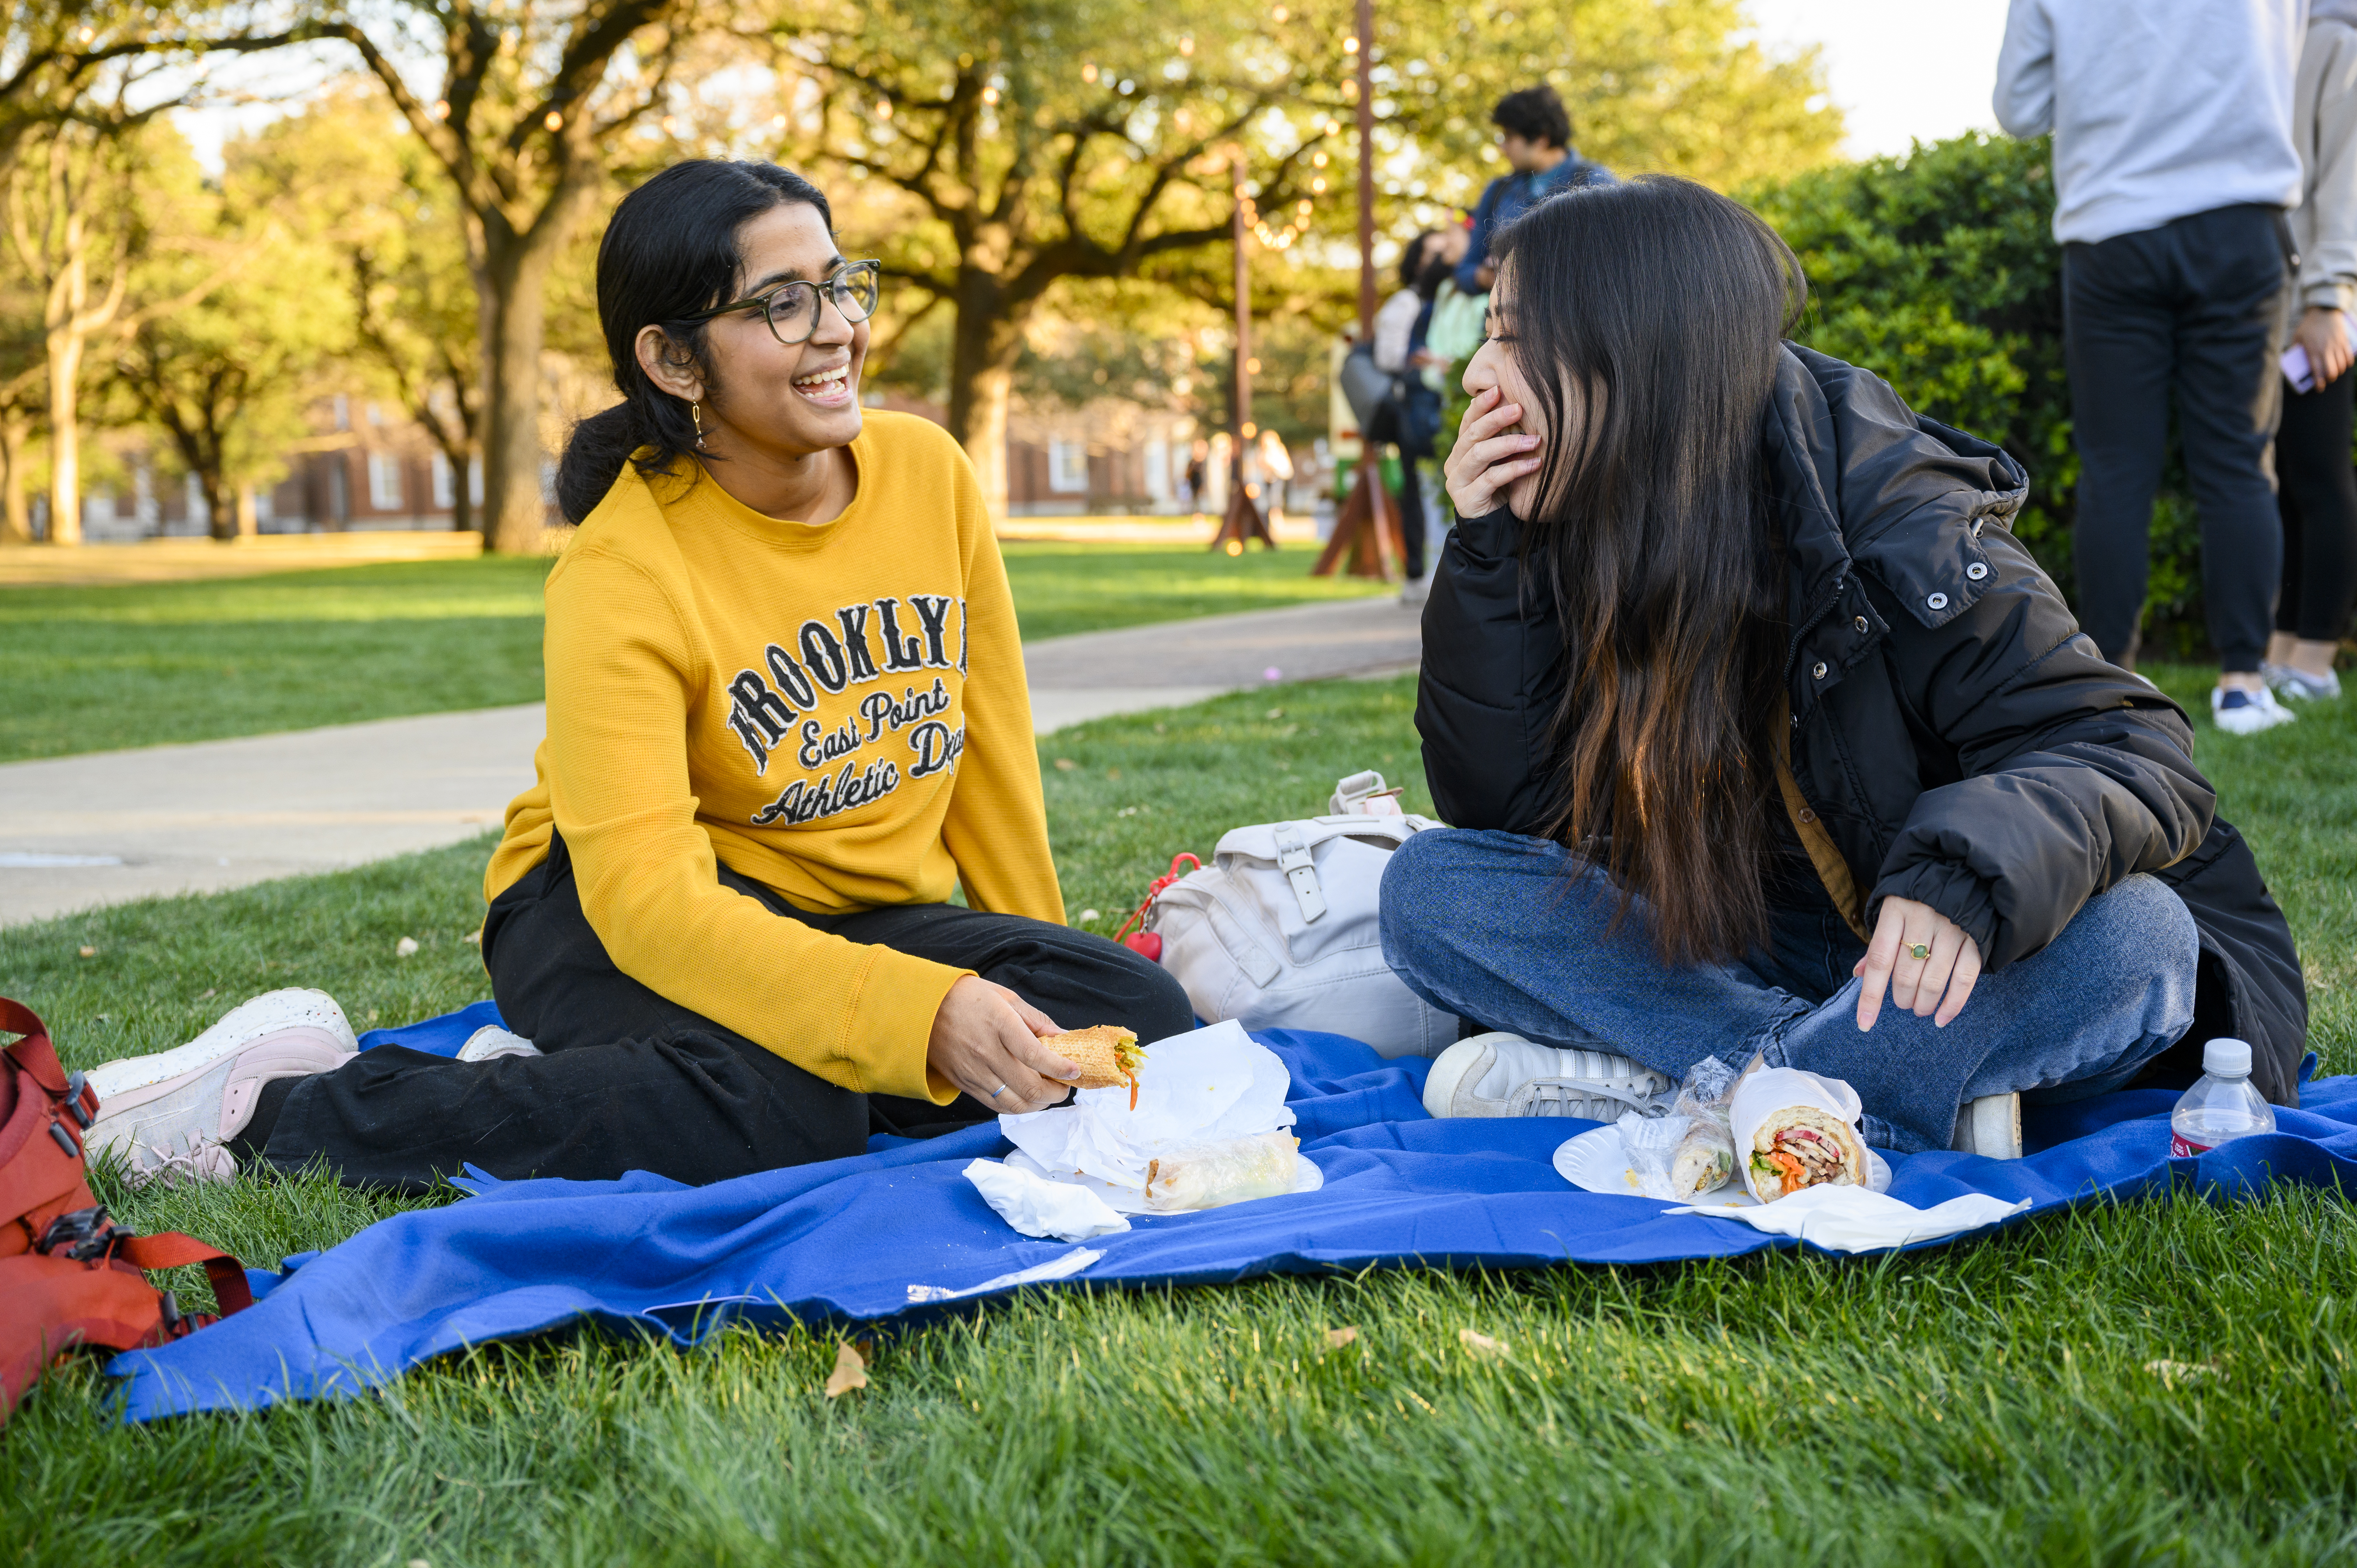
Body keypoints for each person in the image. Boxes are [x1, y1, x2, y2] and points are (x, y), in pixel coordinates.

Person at [84, 159, 1194, 1192]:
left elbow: (989, 748)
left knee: (1140, 1009)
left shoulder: (927, 474)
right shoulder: (621, 569)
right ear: (672, 360)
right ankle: (275, 1114)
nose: (841, 329)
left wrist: (1037, 994)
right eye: (782, 304)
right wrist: (912, 1013)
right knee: (789, 1109)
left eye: (842, 286)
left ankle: (618, 1074)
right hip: (599, 911)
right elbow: (653, 906)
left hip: (848, 914)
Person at [1382, 177, 2306, 1159]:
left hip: (1941, 960)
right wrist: (1488, 557)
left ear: (1632, 353)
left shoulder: (1901, 515)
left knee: (2142, 937)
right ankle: (1829, 1093)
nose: (1480, 374)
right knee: (1430, 889)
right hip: (1753, 950)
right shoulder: (1585, 524)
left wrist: (1964, 872)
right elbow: (1511, 815)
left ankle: (1697, 1086)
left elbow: (2137, 749)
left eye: (1512, 336)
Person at [1994, 0, 2307, 735]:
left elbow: (2019, 107)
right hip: (2241, 220)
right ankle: (2242, 684)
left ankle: (2110, 680)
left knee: (2114, 468)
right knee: (2237, 460)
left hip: (2112, 232)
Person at [2267, 0, 2357, 704]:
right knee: (2274, 483)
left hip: (2318, 305)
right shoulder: (2266, 34)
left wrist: (2329, 297)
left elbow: (2346, 184)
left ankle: (2314, 656)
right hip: (2259, 300)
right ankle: (2278, 647)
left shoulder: (2335, 39)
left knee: (2319, 476)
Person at [1452, 85, 1613, 298]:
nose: (1503, 148)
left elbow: (1611, 270)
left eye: (1509, 137)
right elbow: (1465, 272)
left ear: (1540, 140)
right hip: (1503, 325)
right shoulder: (1498, 191)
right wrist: (1487, 277)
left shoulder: (1597, 184)